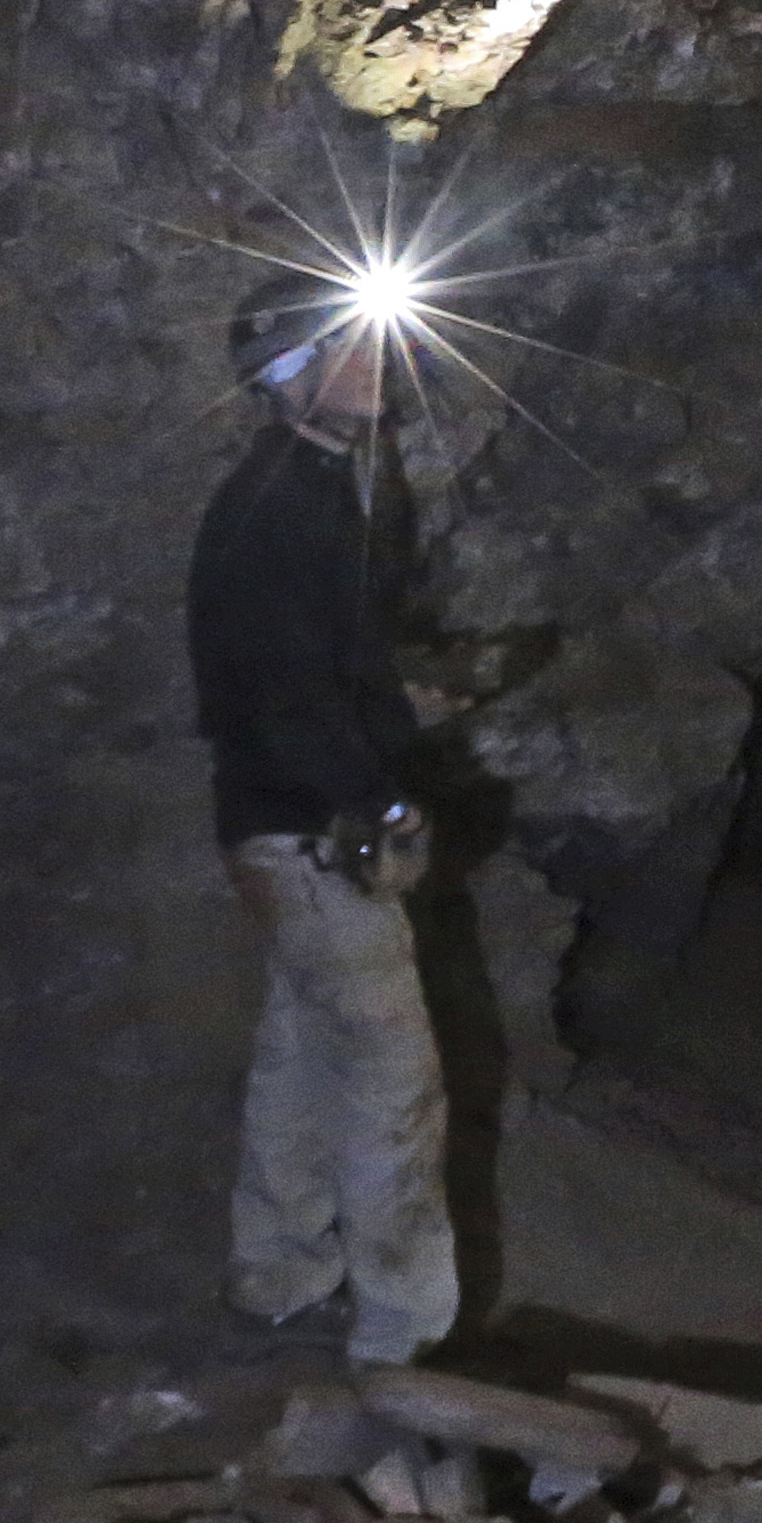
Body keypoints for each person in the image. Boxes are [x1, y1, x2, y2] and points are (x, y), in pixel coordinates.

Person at [190, 279, 457, 1364]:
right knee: (395, 1085)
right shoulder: (278, 510)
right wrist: (380, 802)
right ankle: (407, 1338)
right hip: (307, 837)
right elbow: (287, 698)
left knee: (301, 1062)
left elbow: (329, 664)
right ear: (290, 375)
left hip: (280, 827)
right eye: (347, 344)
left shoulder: (309, 490)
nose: (376, 359)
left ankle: (277, 1274)